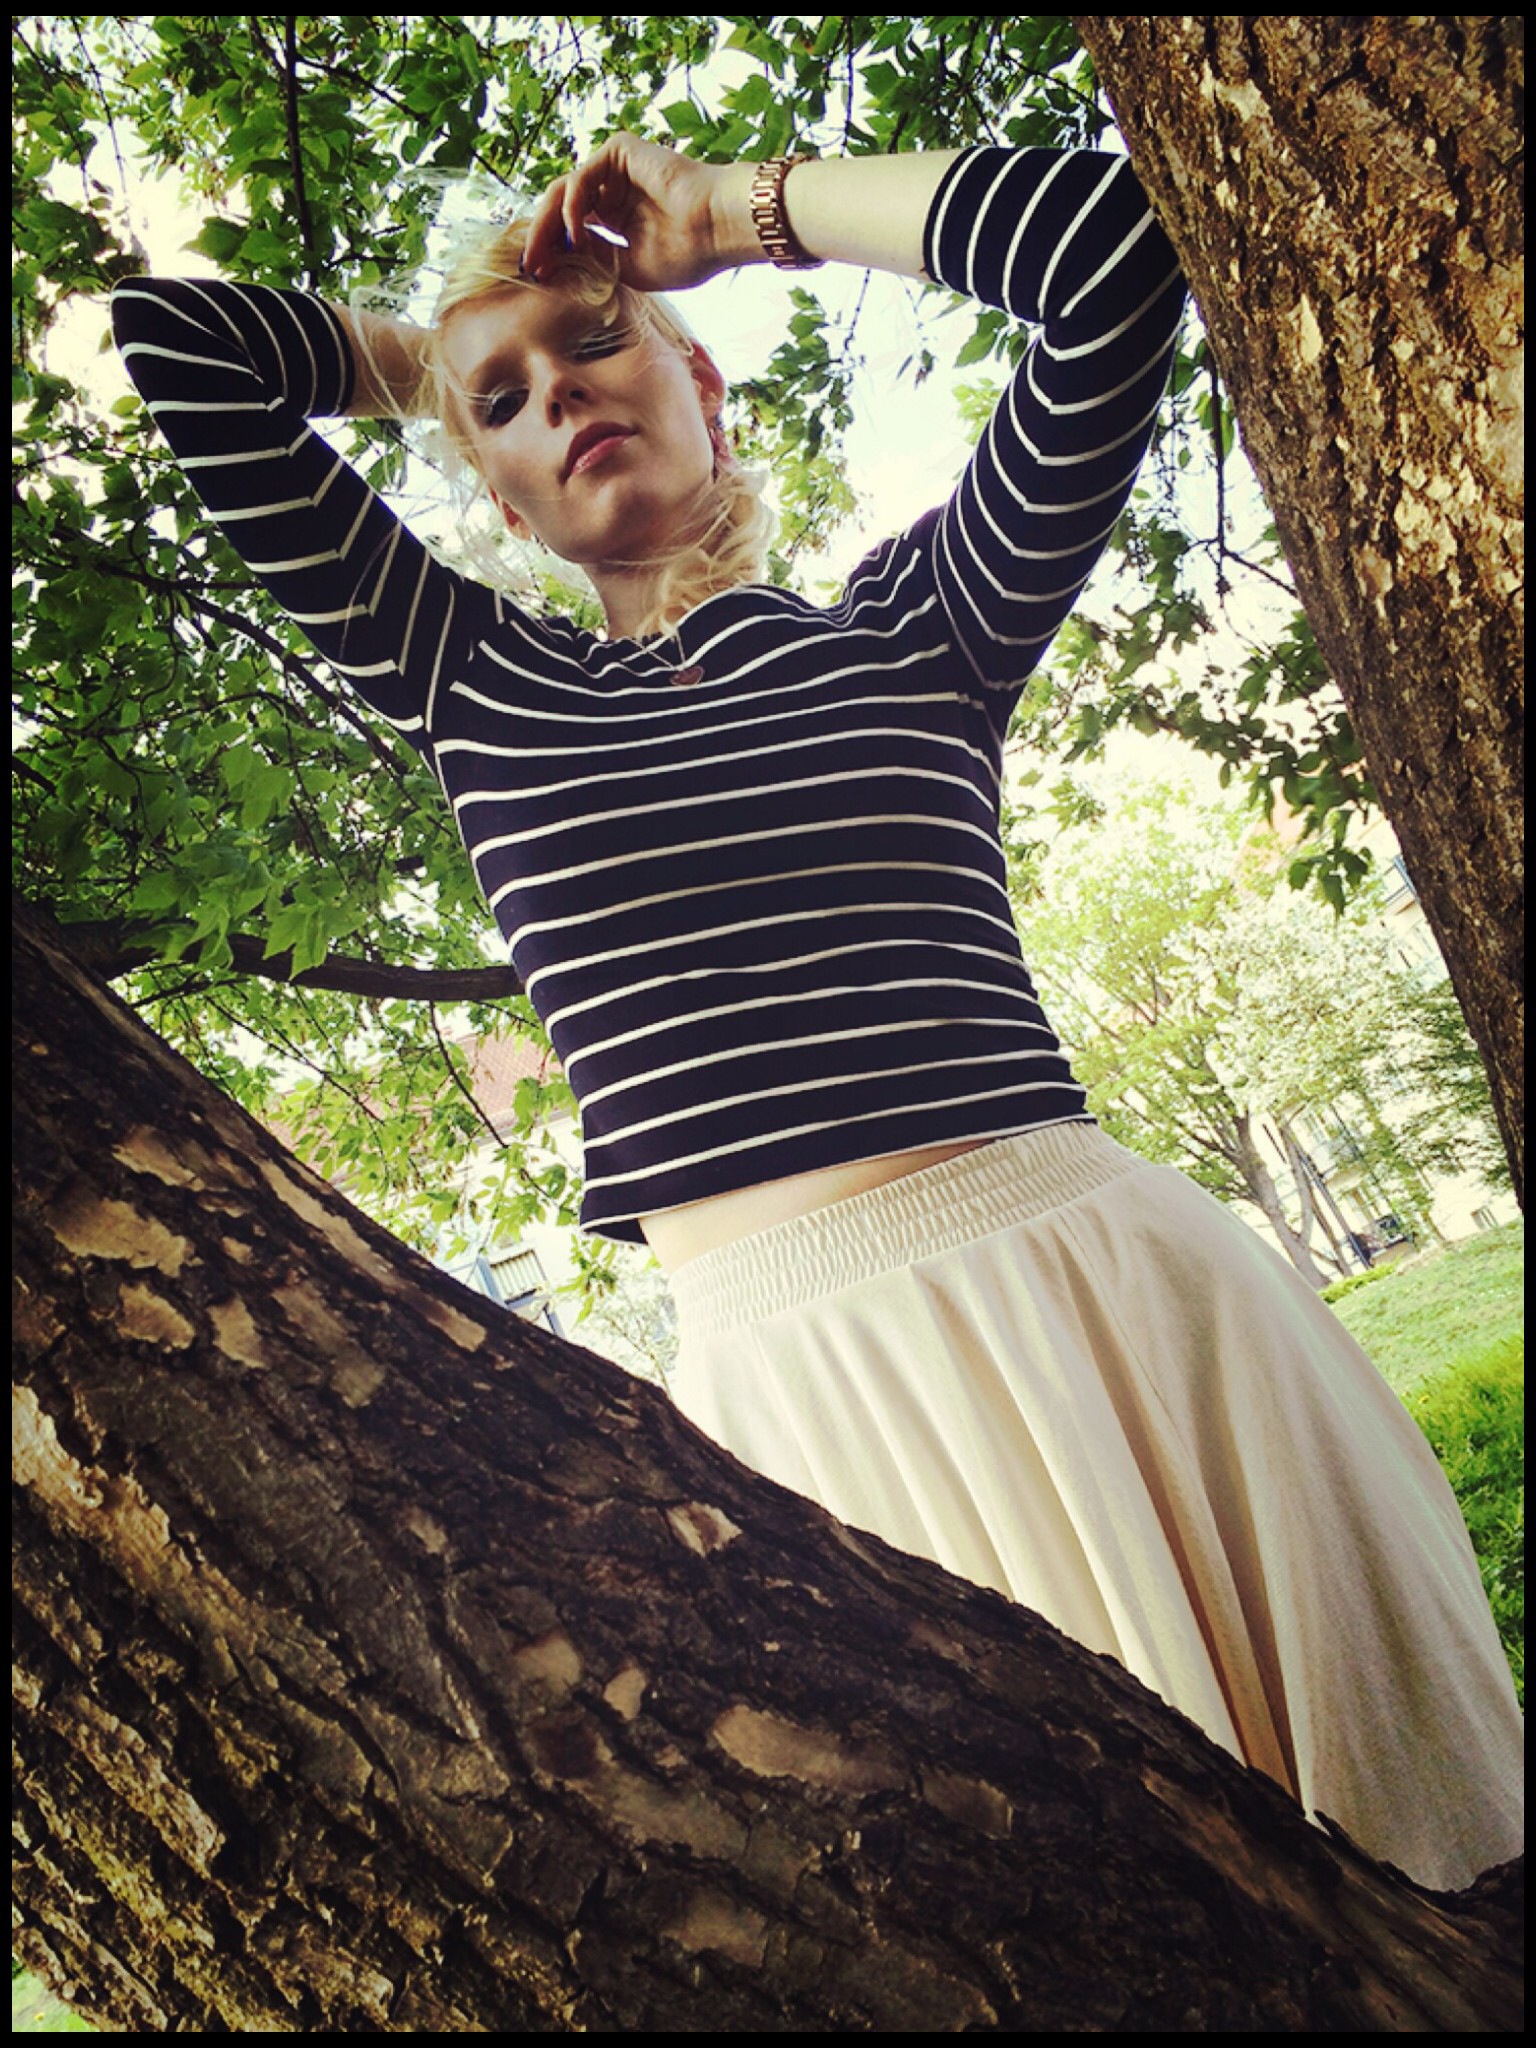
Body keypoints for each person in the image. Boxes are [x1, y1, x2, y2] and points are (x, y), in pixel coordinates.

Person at [111, 132, 1521, 1893]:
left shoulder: (916, 628)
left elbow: (1105, 252)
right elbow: (186, 351)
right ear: (498, 501)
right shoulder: (476, 680)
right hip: (806, 1391)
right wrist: (460, 361)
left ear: (703, 381)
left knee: (1440, 1882)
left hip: (1128, 1303)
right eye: (510, 407)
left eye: (599, 349)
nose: (562, 395)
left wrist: (730, 214)